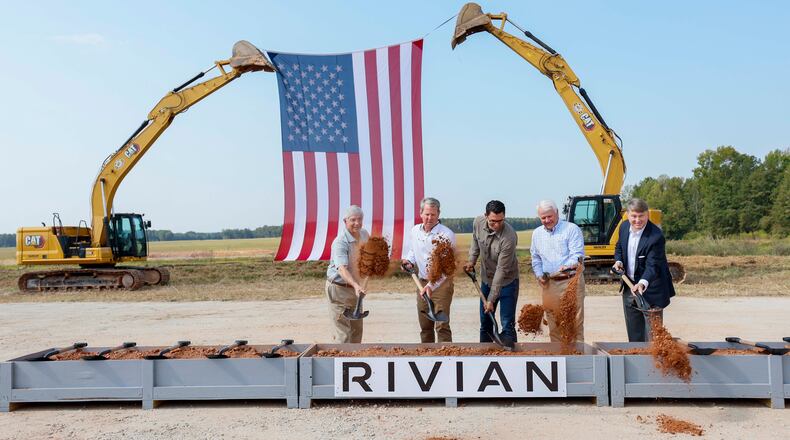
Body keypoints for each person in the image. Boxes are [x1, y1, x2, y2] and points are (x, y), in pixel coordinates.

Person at [613, 198, 676, 342]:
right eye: (634, 216)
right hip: (629, 287)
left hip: (651, 289)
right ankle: (636, 360)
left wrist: (642, 283)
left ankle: (654, 364)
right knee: (634, 334)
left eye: (641, 216)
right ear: (628, 215)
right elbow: (619, 247)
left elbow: (653, 265)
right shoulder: (623, 227)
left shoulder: (655, 236)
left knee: (652, 336)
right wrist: (618, 261)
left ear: (647, 215)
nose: (637, 220)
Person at [464, 200, 519, 346]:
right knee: (485, 322)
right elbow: (475, 241)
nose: (497, 224)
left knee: (507, 323)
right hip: (486, 280)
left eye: (501, 220)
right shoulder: (478, 222)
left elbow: (501, 270)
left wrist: (491, 299)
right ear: (485, 216)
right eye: (493, 221)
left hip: (507, 282)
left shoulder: (509, 237)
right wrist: (471, 260)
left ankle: (511, 355)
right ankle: (485, 355)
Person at [530, 199, 586, 342]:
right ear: (539, 217)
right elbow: (535, 258)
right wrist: (539, 275)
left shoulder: (571, 229)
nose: (547, 220)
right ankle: (557, 354)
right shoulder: (537, 234)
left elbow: (577, 254)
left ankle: (577, 356)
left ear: (557, 213)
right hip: (549, 283)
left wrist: (566, 266)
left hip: (571, 281)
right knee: (553, 322)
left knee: (573, 321)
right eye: (543, 218)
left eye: (550, 216)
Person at [402, 197, 457, 343]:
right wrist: (408, 261)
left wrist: (431, 286)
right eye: (427, 214)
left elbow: (447, 268)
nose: (429, 218)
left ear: (438, 214)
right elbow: (413, 251)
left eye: (433, 214)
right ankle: (426, 356)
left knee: (442, 325)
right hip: (421, 282)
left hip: (441, 285)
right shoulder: (415, 231)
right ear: (421, 213)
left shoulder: (446, 235)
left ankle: (446, 356)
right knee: (425, 326)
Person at [325, 205, 369, 343]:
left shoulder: (364, 234)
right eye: (353, 220)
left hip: (355, 289)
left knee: (356, 331)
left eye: (359, 219)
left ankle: (355, 360)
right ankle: (340, 361)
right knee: (343, 334)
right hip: (339, 289)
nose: (357, 223)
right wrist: (356, 285)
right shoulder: (340, 242)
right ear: (345, 221)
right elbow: (342, 269)